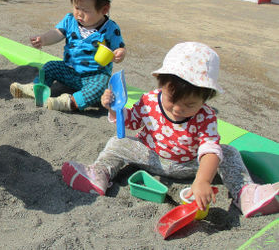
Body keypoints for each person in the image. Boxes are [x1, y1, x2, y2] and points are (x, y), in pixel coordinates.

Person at [62, 42, 279, 218]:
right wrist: (113, 108)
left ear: (206, 98)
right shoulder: (148, 101)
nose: (177, 109)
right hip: (150, 156)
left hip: (189, 165)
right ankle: (100, 174)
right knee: (117, 143)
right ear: (161, 84)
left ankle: (246, 194)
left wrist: (202, 181)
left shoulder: (206, 116)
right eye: (171, 99)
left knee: (228, 152)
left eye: (189, 105)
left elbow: (209, 149)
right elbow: (132, 121)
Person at [9, 0, 126, 112]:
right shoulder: (70, 20)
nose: (79, 14)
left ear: (104, 10)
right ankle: (37, 88)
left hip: (94, 76)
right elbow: (57, 33)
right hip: (69, 70)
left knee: (100, 87)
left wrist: (119, 53)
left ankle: (68, 102)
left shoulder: (110, 28)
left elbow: (119, 48)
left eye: (85, 10)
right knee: (50, 66)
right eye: (76, 7)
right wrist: (43, 39)